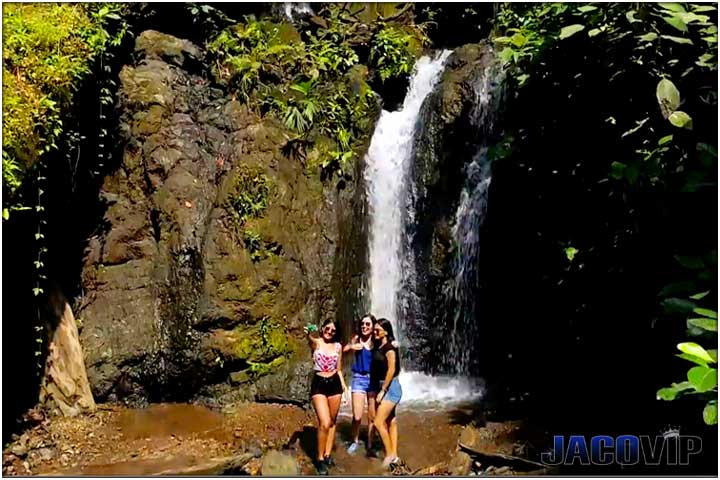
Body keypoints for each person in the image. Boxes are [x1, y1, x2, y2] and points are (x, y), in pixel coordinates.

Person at [305, 319, 348, 475]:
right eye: (327, 328)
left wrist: (343, 386)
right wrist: (308, 332)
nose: (330, 331)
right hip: (319, 384)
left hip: (335, 384)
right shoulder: (316, 342)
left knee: (332, 420)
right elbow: (308, 339)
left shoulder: (338, 347)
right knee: (324, 422)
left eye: (333, 330)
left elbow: (338, 369)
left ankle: (328, 454)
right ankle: (320, 458)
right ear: (322, 328)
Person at [370, 318, 405, 470]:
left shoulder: (389, 348)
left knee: (378, 422)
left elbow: (391, 370)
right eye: (374, 330)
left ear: (386, 331)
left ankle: (390, 454)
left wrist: (383, 390)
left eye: (377, 330)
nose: (375, 332)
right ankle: (395, 455)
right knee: (391, 421)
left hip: (391, 387)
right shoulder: (380, 345)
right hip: (383, 386)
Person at [343, 314, 377, 456]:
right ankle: (354, 440)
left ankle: (370, 443)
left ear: (373, 327)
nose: (364, 326)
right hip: (358, 379)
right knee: (357, 416)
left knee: (372, 416)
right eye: (363, 324)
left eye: (368, 324)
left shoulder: (376, 341)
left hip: (374, 380)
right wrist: (352, 346)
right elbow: (343, 351)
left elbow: (388, 349)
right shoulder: (357, 339)